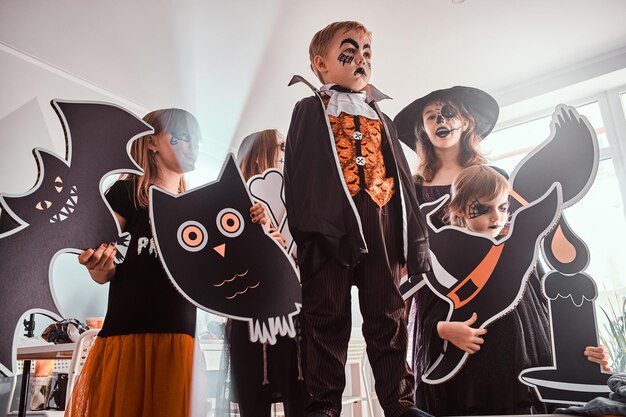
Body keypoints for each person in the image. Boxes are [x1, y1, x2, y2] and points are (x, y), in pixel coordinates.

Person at [393, 92, 610, 415]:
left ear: (466, 122)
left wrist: (576, 343)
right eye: (432, 116)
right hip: (444, 309)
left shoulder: (499, 178)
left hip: (513, 307)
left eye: (450, 113)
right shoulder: (410, 189)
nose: (442, 120)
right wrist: (436, 327)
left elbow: (535, 249)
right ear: (420, 129)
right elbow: (404, 266)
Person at [65, 108, 267, 417]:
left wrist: (257, 225)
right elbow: (103, 266)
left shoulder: (197, 210)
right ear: (151, 143)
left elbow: (223, 269)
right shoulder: (127, 193)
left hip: (180, 338)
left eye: (197, 140)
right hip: (127, 336)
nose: (194, 146)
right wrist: (99, 265)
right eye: (183, 137)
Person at [283, 21, 431, 417]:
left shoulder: (382, 117)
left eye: (367, 52)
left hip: (381, 227)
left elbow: (403, 182)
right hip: (329, 229)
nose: (362, 59)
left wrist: (411, 243)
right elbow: (297, 177)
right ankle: (323, 407)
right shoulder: (309, 109)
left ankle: (399, 403)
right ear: (321, 64)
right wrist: (310, 232)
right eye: (349, 53)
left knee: (388, 316)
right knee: (325, 319)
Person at [226, 129, 306, 417]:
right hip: (250, 318)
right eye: (280, 146)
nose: (287, 151)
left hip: (293, 316)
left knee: (298, 396)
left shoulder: (299, 201)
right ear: (260, 153)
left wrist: (287, 246)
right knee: (253, 400)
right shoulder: (230, 206)